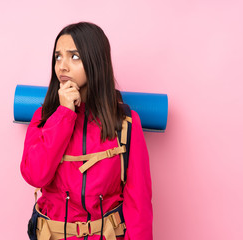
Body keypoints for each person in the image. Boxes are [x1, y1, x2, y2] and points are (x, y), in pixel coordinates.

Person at [20, 22, 152, 240]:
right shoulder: (43, 118)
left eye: (74, 56)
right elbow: (35, 175)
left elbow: (139, 205)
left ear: (95, 61)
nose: (62, 66)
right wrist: (63, 114)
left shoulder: (126, 123)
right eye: (58, 57)